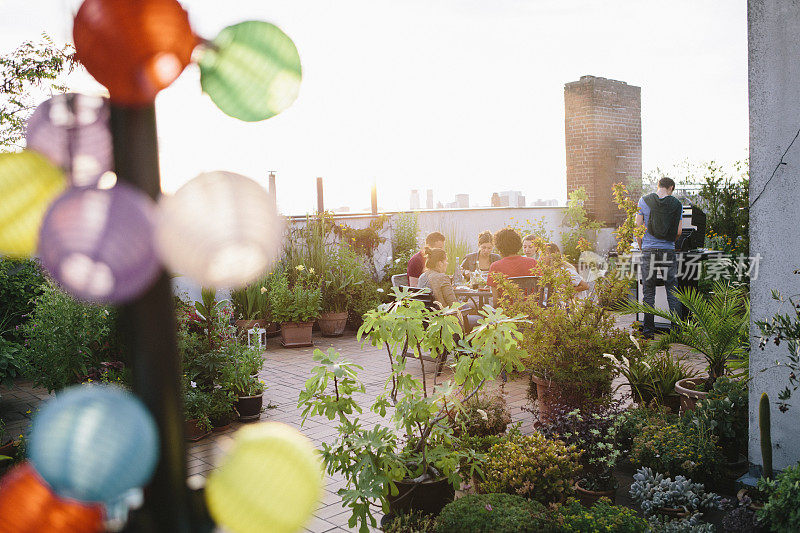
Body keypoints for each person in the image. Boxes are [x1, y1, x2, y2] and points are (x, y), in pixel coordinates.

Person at [636, 176, 684, 339]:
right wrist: (671, 242)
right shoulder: (677, 204)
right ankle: (677, 332)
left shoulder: (644, 201)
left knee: (648, 291)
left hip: (649, 250)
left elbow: (637, 228)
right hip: (668, 251)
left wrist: (643, 246)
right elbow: (678, 232)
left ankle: (648, 331)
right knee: (672, 290)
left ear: (659, 186)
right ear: (671, 187)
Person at [487, 228, 538, 304]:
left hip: (507, 314)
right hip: (531, 312)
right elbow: (540, 292)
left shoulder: (495, 267)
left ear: (499, 247)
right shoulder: (533, 263)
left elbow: (495, 300)